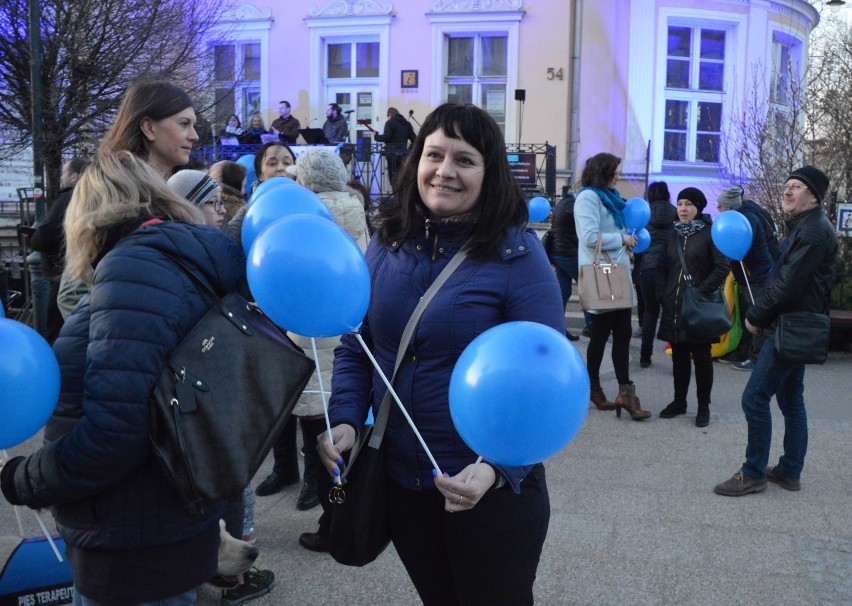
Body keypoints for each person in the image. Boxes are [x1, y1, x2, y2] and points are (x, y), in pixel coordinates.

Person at [319, 103, 563, 606]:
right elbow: (356, 344)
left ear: (489, 173)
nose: (445, 171)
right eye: (434, 154)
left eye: (465, 160)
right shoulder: (388, 240)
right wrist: (345, 416)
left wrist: (496, 467)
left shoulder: (518, 254)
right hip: (405, 484)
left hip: (488, 491)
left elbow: (544, 382)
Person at [0, 151, 250, 605]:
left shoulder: (133, 267)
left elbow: (115, 434)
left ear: (89, 212)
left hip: (132, 542)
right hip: (160, 525)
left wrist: (24, 479)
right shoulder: (180, 259)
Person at [715, 166, 837, 497]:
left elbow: (787, 284)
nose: (787, 191)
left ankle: (753, 472)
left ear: (813, 196)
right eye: (787, 185)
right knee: (790, 399)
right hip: (793, 323)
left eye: (796, 187)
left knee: (754, 397)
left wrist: (756, 316)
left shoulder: (812, 233)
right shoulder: (806, 226)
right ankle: (789, 471)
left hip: (788, 325)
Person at [284, 147, 369, 521]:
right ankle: (336, 497)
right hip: (346, 317)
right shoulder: (355, 206)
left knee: (315, 418)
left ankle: (321, 495)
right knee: (340, 412)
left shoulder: (304, 213)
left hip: (309, 322)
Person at [574, 152, 651, 420]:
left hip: (614, 272)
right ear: (602, 171)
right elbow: (589, 237)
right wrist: (622, 239)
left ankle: (621, 393)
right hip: (602, 272)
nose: (619, 175)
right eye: (615, 171)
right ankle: (600, 390)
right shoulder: (588, 197)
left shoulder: (612, 199)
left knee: (619, 333)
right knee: (603, 334)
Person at [656, 187, 729, 427]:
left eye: (688, 204)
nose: (683, 209)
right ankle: (679, 401)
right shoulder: (672, 234)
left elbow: (721, 267)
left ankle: (703, 406)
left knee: (701, 358)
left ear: (698, 207)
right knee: (678, 357)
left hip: (698, 307)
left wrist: (701, 290)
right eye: (679, 204)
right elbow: (662, 266)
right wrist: (663, 293)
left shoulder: (710, 233)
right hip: (674, 305)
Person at [30, 157, 90, 343]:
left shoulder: (68, 197)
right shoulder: (93, 197)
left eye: (64, 173)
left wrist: (34, 238)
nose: (61, 177)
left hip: (63, 271)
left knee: (56, 331)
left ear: (74, 177)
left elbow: (48, 235)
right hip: (81, 270)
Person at [715, 185, 774, 371]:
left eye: (720, 206)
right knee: (748, 316)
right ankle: (745, 353)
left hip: (756, 277)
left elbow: (740, 248)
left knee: (757, 317)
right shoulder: (742, 217)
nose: (718, 210)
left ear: (730, 207)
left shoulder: (746, 220)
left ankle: (757, 359)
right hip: (748, 276)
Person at [636, 181, 677, 368]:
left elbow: (637, 244)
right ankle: (677, 357)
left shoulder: (644, 214)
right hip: (670, 268)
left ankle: (645, 355)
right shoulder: (677, 212)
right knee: (672, 312)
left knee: (650, 312)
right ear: (668, 195)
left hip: (649, 268)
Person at [549, 187, 586, 341]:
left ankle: (559, 328)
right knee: (588, 288)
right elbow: (582, 224)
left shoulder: (562, 203)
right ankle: (591, 325)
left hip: (559, 253)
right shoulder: (572, 204)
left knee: (564, 291)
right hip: (569, 253)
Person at [373, 107, 416, 185]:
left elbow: (387, 137)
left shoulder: (390, 123)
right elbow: (414, 139)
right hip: (403, 153)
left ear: (390, 114)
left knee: (392, 173)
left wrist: (376, 136)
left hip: (391, 153)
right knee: (401, 172)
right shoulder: (406, 123)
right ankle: (400, 192)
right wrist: (408, 151)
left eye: (388, 115)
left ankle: (395, 192)